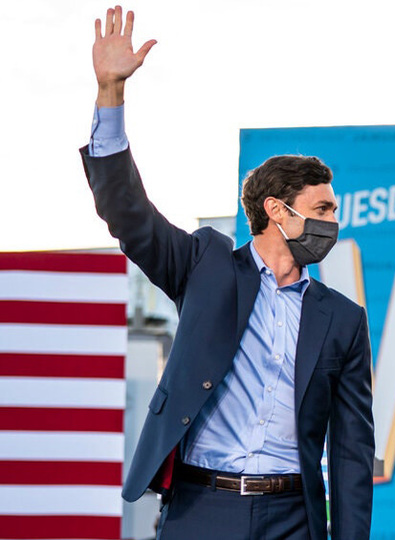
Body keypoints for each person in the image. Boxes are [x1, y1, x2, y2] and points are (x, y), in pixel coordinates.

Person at [81, 7, 374, 539]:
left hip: (294, 516)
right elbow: (127, 213)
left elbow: (353, 451)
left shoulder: (343, 319)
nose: (334, 221)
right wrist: (110, 94)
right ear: (277, 210)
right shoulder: (205, 265)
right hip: (202, 508)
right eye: (323, 209)